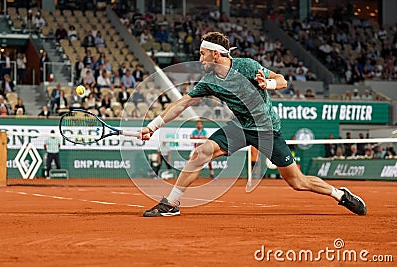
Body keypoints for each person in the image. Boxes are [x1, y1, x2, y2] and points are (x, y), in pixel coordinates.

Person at [139, 32, 366, 217]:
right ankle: (172, 203)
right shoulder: (209, 81)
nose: (200, 59)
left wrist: (267, 83)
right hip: (239, 127)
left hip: (267, 129)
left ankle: (339, 194)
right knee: (201, 153)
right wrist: (153, 126)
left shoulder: (247, 66)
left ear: (216, 55)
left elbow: (282, 80)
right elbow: (183, 103)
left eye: (203, 54)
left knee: (297, 181)